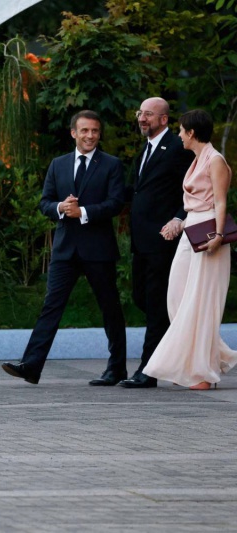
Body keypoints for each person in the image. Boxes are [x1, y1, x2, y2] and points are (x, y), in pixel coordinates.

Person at [2, 110, 128, 386]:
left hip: (98, 249)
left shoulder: (112, 164)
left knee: (110, 308)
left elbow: (116, 203)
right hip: (65, 249)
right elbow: (44, 202)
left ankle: (117, 368)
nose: (90, 136)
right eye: (85, 130)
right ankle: (31, 366)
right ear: (73, 133)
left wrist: (83, 212)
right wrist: (60, 207)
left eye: (95, 131)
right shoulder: (58, 164)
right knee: (51, 306)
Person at [143, 109, 237, 390]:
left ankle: (202, 373)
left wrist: (218, 235)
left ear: (192, 132)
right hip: (191, 231)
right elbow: (195, 204)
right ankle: (204, 360)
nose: (179, 135)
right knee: (177, 297)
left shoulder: (215, 160)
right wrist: (179, 223)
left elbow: (220, 202)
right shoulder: (197, 159)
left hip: (208, 236)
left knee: (201, 302)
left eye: (182, 130)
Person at [119, 97, 195, 389]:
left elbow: (190, 190)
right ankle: (180, 352)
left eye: (149, 114)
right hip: (142, 240)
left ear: (164, 119)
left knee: (155, 304)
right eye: (140, 113)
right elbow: (137, 191)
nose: (142, 118)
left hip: (164, 239)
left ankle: (148, 370)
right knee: (143, 298)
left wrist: (178, 218)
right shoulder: (146, 148)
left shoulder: (177, 148)